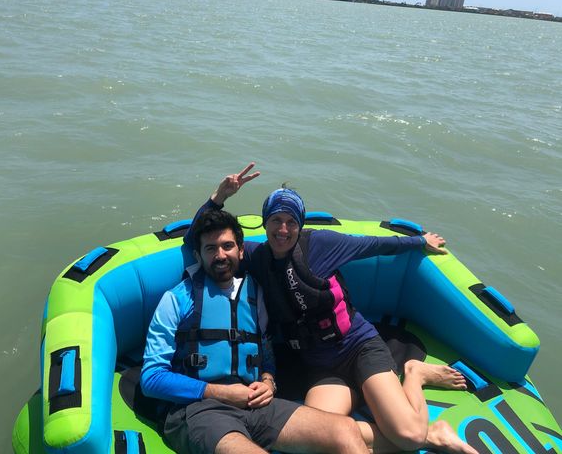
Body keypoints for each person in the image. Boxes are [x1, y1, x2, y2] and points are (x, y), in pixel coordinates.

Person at [185, 163, 478, 454]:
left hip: (359, 347)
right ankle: (432, 435)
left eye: (291, 221)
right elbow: (194, 240)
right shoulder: (254, 256)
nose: (283, 229)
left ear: (300, 225)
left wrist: (419, 241)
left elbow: (372, 245)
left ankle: (414, 375)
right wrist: (219, 197)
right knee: (321, 441)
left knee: (409, 436)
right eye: (275, 220)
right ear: (265, 222)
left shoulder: (320, 245)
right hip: (321, 366)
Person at [141, 208, 369, 454]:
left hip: (255, 405)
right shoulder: (176, 300)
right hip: (200, 409)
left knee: (346, 430)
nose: (220, 255)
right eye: (210, 248)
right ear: (198, 255)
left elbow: (266, 354)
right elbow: (151, 378)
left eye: (227, 246)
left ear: (241, 250)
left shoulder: (255, 294)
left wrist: (268, 382)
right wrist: (220, 392)